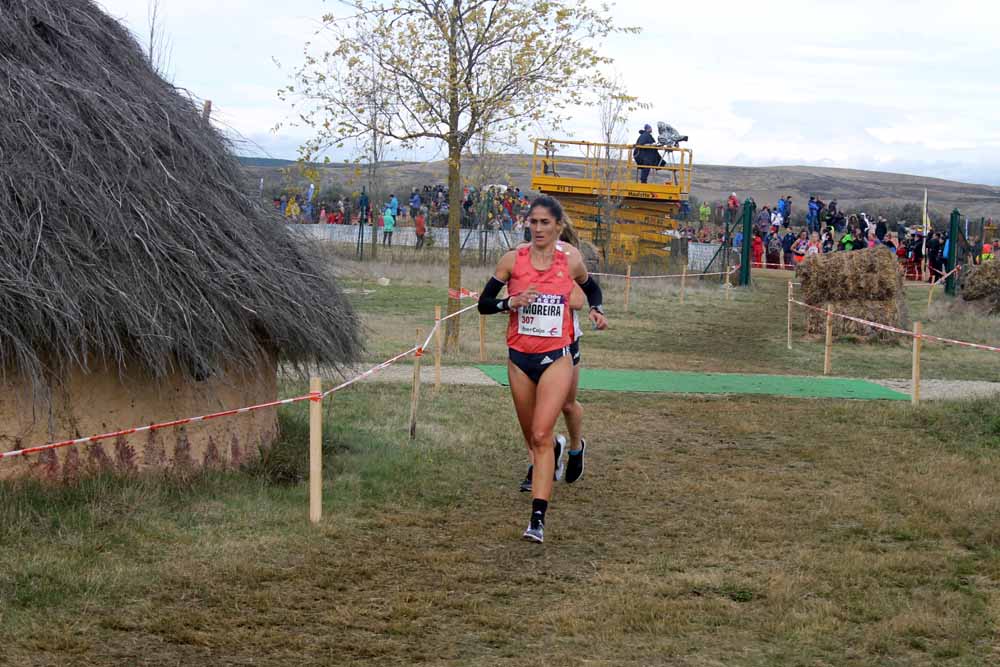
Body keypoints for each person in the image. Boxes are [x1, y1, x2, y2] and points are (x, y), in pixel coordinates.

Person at [477, 195, 608, 543]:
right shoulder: (512, 260)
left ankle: (537, 519)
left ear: (558, 226)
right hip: (520, 358)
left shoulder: (570, 259)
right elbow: (484, 304)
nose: (537, 228)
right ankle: (555, 451)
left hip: (557, 356)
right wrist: (510, 302)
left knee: (540, 434)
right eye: (533, 222)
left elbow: (591, 286)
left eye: (544, 223)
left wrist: (596, 309)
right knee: (533, 438)